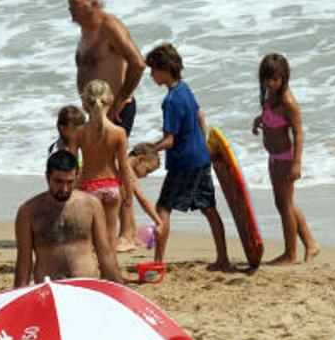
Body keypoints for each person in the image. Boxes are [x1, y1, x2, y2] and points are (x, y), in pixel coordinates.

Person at [15, 150, 124, 340]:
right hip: (50, 299)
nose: (64, 188)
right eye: (58, 182)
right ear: (47, 178)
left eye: (69, 181)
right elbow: (23, 263)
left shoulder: (90, 205)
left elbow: (105, 253)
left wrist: (119, 291)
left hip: (87, 295)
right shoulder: (29, 211)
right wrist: (19, 304)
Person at [144, 43, 230, 271]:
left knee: (163, 208)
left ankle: (158, 262)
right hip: (200, 158)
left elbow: (170, 140)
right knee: (209, 208)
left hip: (183, 163)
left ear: (164, 69)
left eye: (153, 70)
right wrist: (203, 143)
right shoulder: (185, 88)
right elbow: (201, 116)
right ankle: (223, 258)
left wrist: (148, 149)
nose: (151, 75)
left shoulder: (170, 100)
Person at [251, 53, 319, 266]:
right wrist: (259, 120)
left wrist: (297, 164)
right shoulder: (271, 96)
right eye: (267, 79)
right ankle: (310, 243)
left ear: (284, 77)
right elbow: (270, 116)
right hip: (273, 158)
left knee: (285, 204)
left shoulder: (288, 102)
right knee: (284, 203)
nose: (270, 83)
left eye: (275, 79)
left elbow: (298, 133)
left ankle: (291, 254)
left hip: (286, 158)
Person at [68, 0, 145, 137]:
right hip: (97, 111)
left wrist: (120, 101)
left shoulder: (109, 27)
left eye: (75, 4)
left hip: (115, 111)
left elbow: (138, 63)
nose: (70, 9)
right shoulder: (86, 29)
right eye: (69, 4)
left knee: (108, 161)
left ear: (94, 4)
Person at [71, 79, 136, 252]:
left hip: (87, 187)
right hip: (111, 188)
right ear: (110, 100)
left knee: (89, 238)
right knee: (110, 236)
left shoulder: (80, 132)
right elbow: (123, 167)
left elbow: (72, 165)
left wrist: (71, 190)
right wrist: (129, 194)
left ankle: (90, 271)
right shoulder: (118, 132)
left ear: (85, 102)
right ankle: (109, 272)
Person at [117, 143, 164, 252]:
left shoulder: (119, 159)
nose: (146, 175)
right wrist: (159, 222)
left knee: (127, 193)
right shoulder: (126, 167)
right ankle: (125, 238)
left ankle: (132, 234)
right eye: (147, 170)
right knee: (127, 193)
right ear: (140, 159)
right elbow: (142, 200)